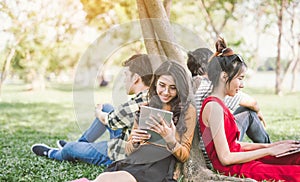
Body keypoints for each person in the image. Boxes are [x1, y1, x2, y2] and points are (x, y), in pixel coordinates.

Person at [73, 61, 196, 182]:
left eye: (173, 88)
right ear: (155, 84)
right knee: (105, 178)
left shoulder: (187, 110)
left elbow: (184, 155)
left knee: (121, 178)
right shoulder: (147, 106)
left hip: (158, 165)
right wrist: (135, 141)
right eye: (162, 85)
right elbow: (128, 148)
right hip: (136, 159)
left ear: (180, 89)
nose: (166, 92)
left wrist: (170, 140)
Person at [199, 37, 300, 181]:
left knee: (294, 156)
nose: (242, 85)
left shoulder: (219, 105)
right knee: (296, 172)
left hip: (239, 159)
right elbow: (225, 158)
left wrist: (271, 146)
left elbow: (234, 145)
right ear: (224, 76)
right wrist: (270, 150)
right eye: (240, 78)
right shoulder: (213, 107)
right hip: (234, 167)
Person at [31, 54, 153, 166]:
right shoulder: (149, 95)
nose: (124, 80)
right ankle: (81, 144)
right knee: (107, 107)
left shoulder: (138, 102)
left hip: (121, 154)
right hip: (126, 138)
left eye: (126, 75)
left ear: (136, 78)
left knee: (70, 148)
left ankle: (54, 153)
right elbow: (119, 117)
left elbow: (109, 120)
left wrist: (98, 113)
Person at [187, 47, 270, 143]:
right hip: (214, 145)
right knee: (249, 113)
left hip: (200, 140)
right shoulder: (212, 86)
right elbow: (252, 103)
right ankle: (269, 147)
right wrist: (258, 112)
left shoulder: (189, 84)